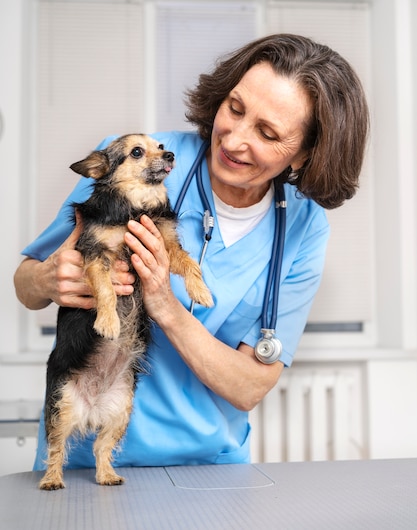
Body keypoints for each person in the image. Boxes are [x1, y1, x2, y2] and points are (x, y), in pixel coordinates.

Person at [14, 34, 369, 469]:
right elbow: (26, 286)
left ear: (306, 153)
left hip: (210, 467)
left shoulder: (305, 228)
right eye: (235, 109)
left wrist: (166, 304)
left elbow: (249, 388)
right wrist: (46, 278)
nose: (234, 140)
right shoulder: (132, 160)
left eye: (267, 132)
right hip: (86, 460)